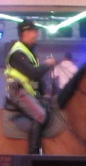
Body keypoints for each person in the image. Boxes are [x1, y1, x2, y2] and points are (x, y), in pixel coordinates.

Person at [4, 20, 55, 154]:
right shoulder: (17, 53)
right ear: (25, 33)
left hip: (28, 91)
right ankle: (33, 153)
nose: (37, 35)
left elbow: (37, 77)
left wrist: (45, 93)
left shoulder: (29, 52)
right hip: (18, 90)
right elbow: (33, 73)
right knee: (40, 114)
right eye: (34, 32)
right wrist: (48, 64)